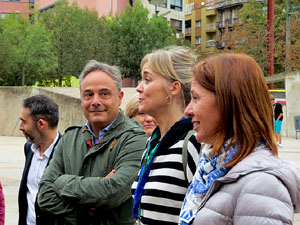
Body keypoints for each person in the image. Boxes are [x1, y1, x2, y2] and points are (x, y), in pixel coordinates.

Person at [179, 53, 300, 225]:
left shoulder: (262, 186)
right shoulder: (212, 168)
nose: (188, 111)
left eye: (196, 98)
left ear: (228, 101)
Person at [37, 60, 148, 224]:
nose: (95, 101)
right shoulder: (70, 138)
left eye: (104, 94)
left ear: (119, 98)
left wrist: (62, 182)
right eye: (88, 95)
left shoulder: (136, 138)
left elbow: (113, 193)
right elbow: (45, 196)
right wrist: (89, 210)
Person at [131, 46, 201, 225]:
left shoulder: (192, 142)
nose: (139, 88)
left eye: (147, 79)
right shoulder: (151, 143)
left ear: (174, 87)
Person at [18, 94, 61, 225]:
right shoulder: (29, 149)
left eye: (24, 122)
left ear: (41, 124)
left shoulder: (67, 153)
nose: (20, 127)